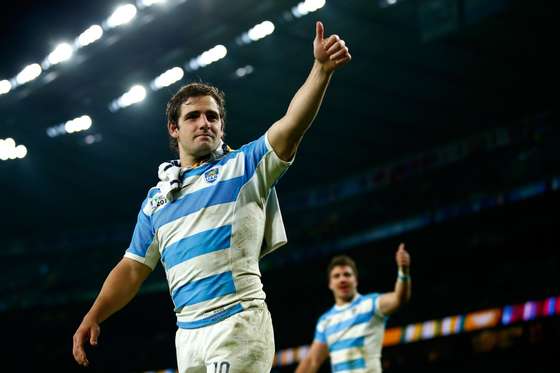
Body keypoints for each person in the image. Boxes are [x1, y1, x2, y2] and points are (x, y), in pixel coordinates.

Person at [72, 21, 351, 372]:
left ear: (221, 126)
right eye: (193, 117)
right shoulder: (157, 200)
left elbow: (290, 126)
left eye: (212, 116)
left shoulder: (244, 167)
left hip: (238, 323)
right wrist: (93, 315)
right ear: (174, 129)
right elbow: (132, 268)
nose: (205, 122)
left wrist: (321, 70)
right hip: (187, 336)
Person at [295, 244, 411, 373]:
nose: (342, 279)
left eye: (347, 274)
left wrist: (403, 272)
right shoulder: (325, 321)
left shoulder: (371, 304)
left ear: (355, 280)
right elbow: (312, 361)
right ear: (330, 284)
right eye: (336, 276)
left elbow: (399, 298)